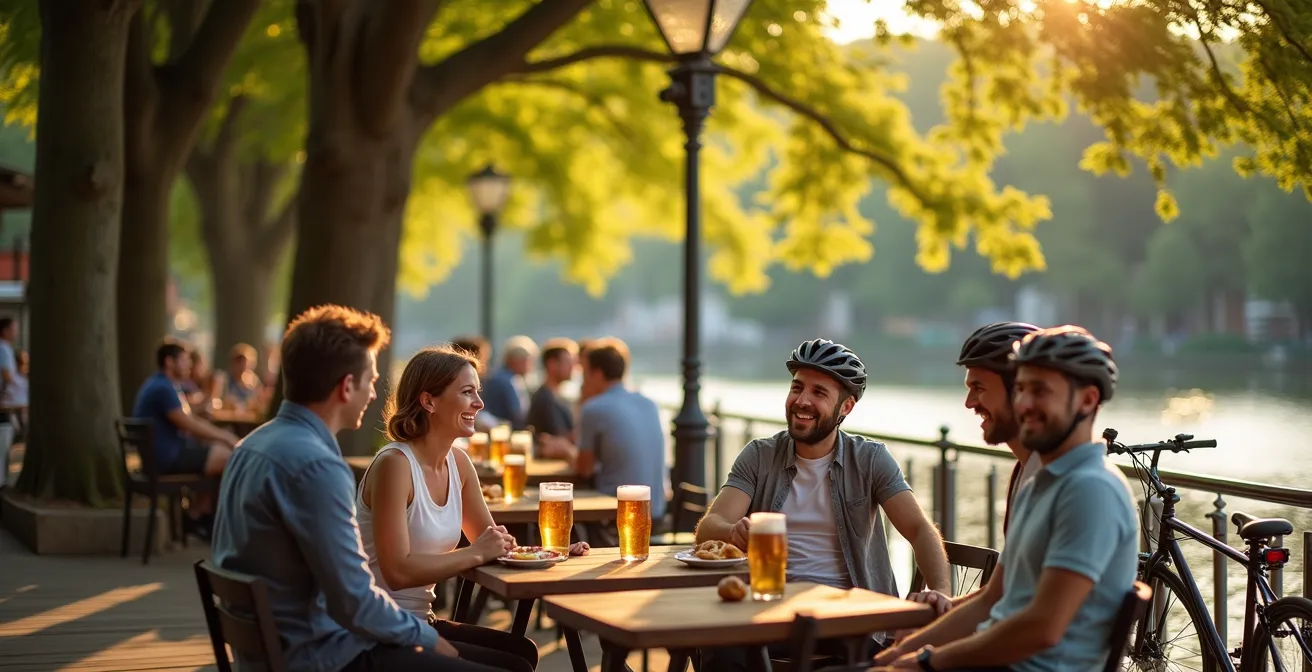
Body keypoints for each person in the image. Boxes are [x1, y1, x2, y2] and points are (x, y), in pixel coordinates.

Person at [212, 305, 502, 671]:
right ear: (347, 386)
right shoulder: (317, 466)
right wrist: (426, 638)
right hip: (323, 654)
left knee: (515, 659)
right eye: (370, 380)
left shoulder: (250, 446)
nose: (372, 394)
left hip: (269, 652)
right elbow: (355, 600)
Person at [874, 326, 1137, 672]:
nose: (1024, 403)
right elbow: (990, 600)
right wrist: (900, 653)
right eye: (1022, 389)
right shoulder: (1042, 482)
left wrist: (925, 662)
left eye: (1040, 391)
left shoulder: (1091, 490)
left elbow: (1042, 629)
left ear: (1087, 400)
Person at [695, 339, 951, 669]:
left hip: (850, 619)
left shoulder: (870, 459)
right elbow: (708, 527)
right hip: (768, 608)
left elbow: (918, 529)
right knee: (719, 648)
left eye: (819, 393)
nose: (802, 401)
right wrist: (733, 531)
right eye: (797, 387)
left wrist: (940, 588)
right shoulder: (760, 455)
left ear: (845, 408)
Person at [360, 344, 587, 671]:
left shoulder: (459, 462)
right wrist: (476, 553)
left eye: (477, 393)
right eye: (467, 393)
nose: (479, 404)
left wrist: (554, 553)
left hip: (422, 622)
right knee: (516, 666)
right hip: (379, 633)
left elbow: (495, 545)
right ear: (428, 401)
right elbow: (397, 571)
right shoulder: (395, 465)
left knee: (523, 652)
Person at [132, 340, 238, 537]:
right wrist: (226, 436)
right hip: (166, 458)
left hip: (164, 455)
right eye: (183, 360)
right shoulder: (163, 388)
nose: (188, 365)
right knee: (229, 457)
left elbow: (187, 414)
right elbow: (189, 424)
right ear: (169, 362)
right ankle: (207, 519)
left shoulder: (162, 384)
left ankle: (198, 515)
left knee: (218, 454)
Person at [956, 322, 1043, 534]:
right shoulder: (1024, 471)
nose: (969, 403)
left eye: (979, 388)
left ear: (1020, 390)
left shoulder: (1066, 485)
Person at [571, 338, 668, 526]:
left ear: (597, 374)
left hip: (615, 518)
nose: (582, 381)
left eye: (584, 373)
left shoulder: (594, 408)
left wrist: (566, 452)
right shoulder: (650, 404)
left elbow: (584, 469)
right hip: (656, 514)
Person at [525, 338, 579, 460]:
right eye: (568, 362)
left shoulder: (554, 396)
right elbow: (557, 438)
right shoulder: (544, 399)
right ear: (552, 364)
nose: (572, 367)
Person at [481, 336, 537, 431]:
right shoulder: (505, 381)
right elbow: (516, 414)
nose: (530, 366)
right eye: (527, 360)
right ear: (515, 360)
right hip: (501, 433)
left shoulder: (508, 378)